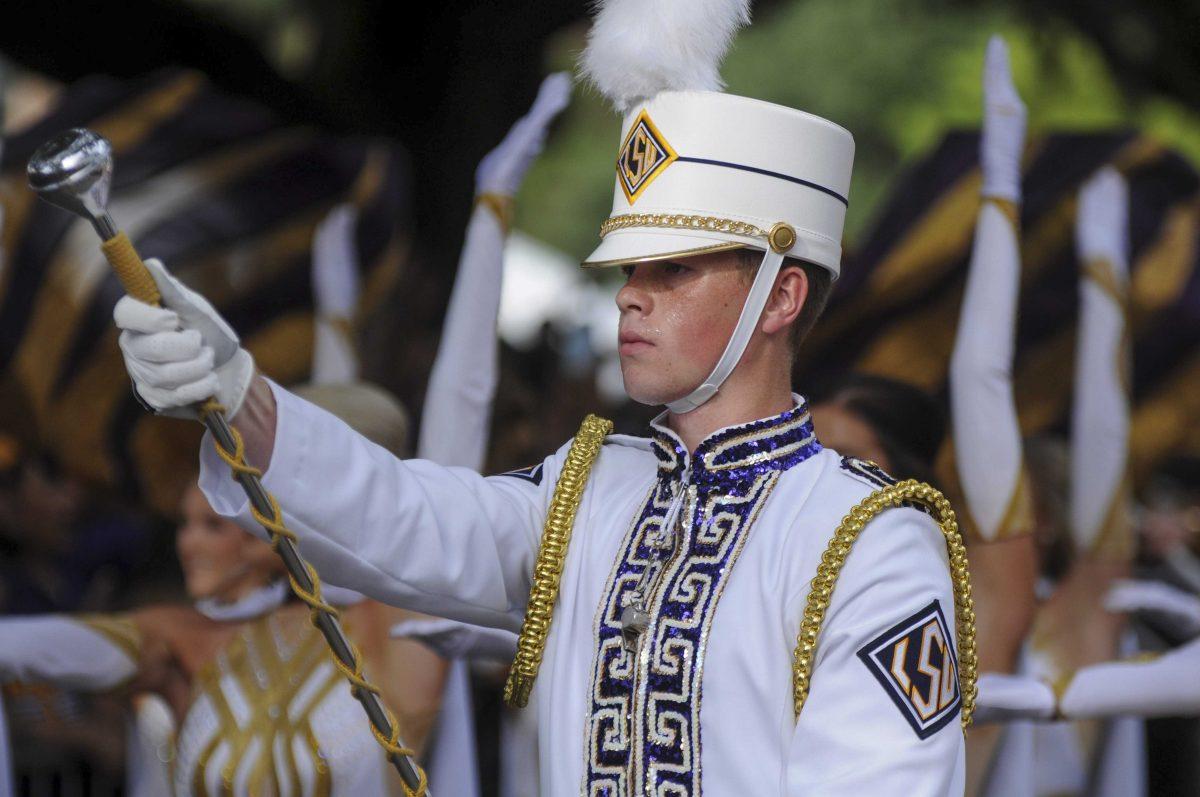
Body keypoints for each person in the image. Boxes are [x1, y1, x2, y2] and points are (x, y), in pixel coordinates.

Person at [111, 0, 973, 792]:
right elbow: (403, 516)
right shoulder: (590, 490)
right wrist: (242, 395)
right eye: (630, 269)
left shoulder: (873, 541)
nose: (632, 294)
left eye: (671, 271)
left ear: (780, 298)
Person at [0, 383, 446, 796]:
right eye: (187, 523)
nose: (188, 542)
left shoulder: (395, 626)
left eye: (215, 523)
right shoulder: (192, 641)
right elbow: (29, 646)